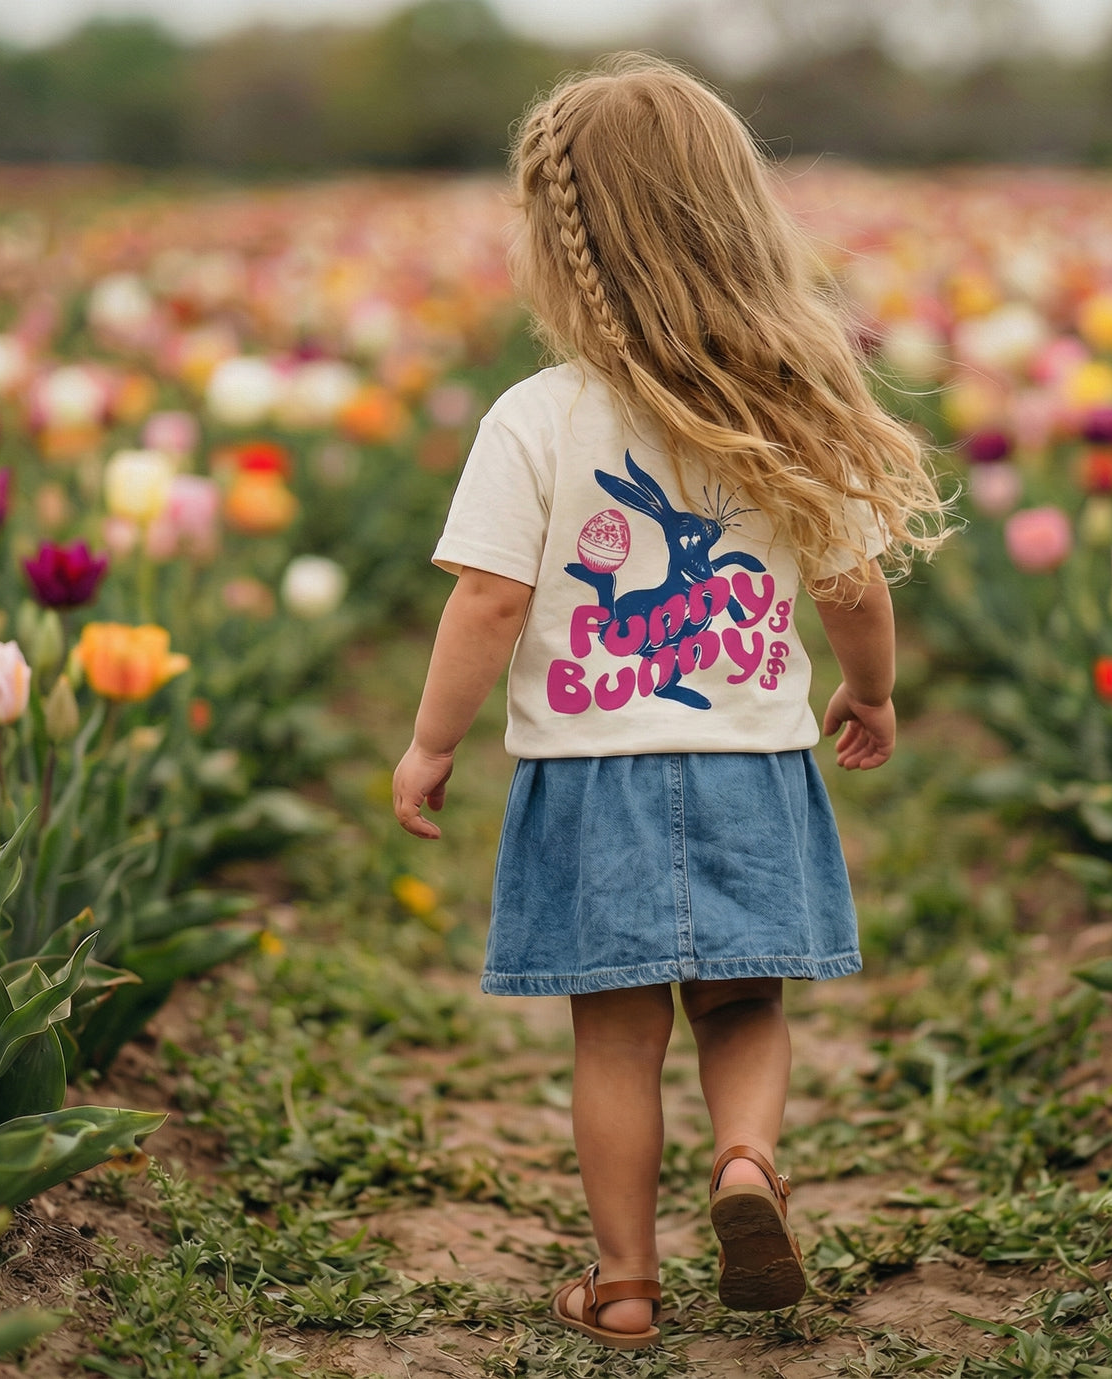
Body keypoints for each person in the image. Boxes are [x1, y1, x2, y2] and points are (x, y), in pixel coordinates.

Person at [392, 54, 952, 1349]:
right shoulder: (785, 409)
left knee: (614, 1039)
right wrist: (868, 693)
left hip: (590, 777)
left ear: (561, 244)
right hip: (752, 765)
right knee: (747, 1005)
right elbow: (854, 585)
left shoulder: (536, 418)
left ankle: (626, 1283)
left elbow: (482, 603)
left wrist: (431, 744)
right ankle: (747, 1162)